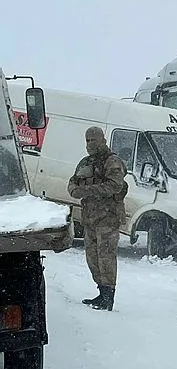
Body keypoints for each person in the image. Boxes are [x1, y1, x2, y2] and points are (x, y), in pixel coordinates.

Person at [68, 127, 128, 311]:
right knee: (92, 258)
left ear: (103, 139)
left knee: (106, 257)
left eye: (93, 140)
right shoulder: (85, 162)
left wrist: (86, 191)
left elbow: (115, 186)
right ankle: (101, 293)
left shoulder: (112, 162)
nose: (90, 144)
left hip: (108, 218)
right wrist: (76, 189)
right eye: (87, 140)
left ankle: (108, 297)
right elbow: (72, 184)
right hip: (90, 219)